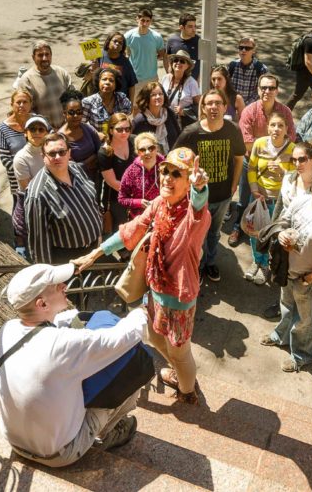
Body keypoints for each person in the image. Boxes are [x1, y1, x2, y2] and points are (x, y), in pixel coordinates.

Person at [74, 147, 211, 404]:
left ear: (188, 180)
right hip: (155, 291)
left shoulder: (193, 216)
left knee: (179, 353)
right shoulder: (160, 204)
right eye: (165, 171)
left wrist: (200, 189)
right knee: (156, 338)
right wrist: (95, 254)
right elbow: (131, 230)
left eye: (177, 174)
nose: (168, 178)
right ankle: (183, 374)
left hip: (179, 299)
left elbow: (199, 209)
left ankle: (187, 391)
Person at [0, 263, 148, 466]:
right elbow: (124, 336)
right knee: (132, 368)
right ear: (41, 304)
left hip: (13, 441)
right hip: (59, 454)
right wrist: (141, 312)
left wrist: (71, 318)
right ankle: (108, 433)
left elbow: (49, 329)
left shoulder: (8, 329)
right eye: (57, 286)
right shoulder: (65, 344)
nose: (64, 286)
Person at [260, 163, 312, 372]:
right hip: (287, 271)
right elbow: (283, 221)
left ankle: (302, 355)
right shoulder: (302, 200)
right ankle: (280, 336)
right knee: (286, 307)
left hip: (307, 281)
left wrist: (308, 280)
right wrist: (281, 234)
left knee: (305, 321)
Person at [174, 90, 246, 282]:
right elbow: (174, 161)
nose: (213, 107)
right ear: (203, 108)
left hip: (223, 195)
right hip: (197, 196)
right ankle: (194, 266)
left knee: (214, 233)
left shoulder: (233, 130)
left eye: (218, 103)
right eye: (209, 104)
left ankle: (210, 263)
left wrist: (234, 185)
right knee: (196, 234)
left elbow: (239, 159)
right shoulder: (191, 133)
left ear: (224, 107)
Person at [229, 74, 296, 247]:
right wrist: (267, 151)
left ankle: (267, 231)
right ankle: (238, 227)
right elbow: (247, 141)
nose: (267, 91)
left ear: (277, 90)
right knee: (246, 199)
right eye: (264, 87)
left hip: (279, 164)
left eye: (271, 88)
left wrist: (277, 158)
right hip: (251, 162)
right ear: (258, 90)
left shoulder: (285, 112)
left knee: (275, 202)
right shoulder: (249, 111)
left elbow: (291, 137)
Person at [24, 133, 102, 264]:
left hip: (95, 249)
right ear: (43, 157)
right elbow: (39, 244)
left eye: (62, 152)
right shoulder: (37, 194)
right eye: (52, 154)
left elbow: (92, 203)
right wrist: (50, 278)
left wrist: (98, 236)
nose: (58, 157)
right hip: (69, 260)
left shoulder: (77, 169)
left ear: (69, 153)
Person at [261, 142, 312, 319]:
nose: (298, 164)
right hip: (284, 233)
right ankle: (283, 305)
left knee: (301, 278)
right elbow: (279, 204)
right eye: (294, 160)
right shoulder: (289, 178)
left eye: (303, 159)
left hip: (305, 240)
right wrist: (273, 230)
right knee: (282, 270)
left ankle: (301, 315)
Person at [245, 113, 295, 285]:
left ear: (287, 129)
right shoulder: (259, 144)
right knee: (255, 231)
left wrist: (282, 171)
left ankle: (266, 264)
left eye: (280, 125)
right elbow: (251, 167)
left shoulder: (292, 149)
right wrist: (253, 188)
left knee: (271, 234)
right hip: (259, 197)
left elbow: (296, 177)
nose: (276, 129)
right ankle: (256, 260)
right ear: (268, 127)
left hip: (279, 200)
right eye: (273, 125)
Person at [12, 116, 50, 258]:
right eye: (32, 129)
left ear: (46, 133)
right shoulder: (21, 158)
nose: (37, 133)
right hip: (30, 204)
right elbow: (29, 188)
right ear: (25, 133)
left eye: (41, 129)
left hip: (51, 201)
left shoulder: (51, 152)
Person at [16, 40, 74, 129]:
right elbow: (26, 111)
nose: (44, 58)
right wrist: (47, 129)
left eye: (47, 54)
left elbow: (73, 99)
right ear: (33, 57)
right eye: (40, 55)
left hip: (66, 129)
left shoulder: (62, 73)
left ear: (51, 55)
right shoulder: (26, 80)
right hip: (42, 133)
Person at [0, 89, 33, 219]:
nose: (22, 105)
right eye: (18, 102)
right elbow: (5, 159)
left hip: (40, 177)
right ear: (12, 104)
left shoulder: (38, 121)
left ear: (30, 104)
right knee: (20, 213)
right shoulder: (3, 129)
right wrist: (25, 172)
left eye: (25, 102)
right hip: (17, 181)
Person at [98, 113, 136, 235]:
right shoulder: (105, 152)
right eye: (119, 129)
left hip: (137, 194)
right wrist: (135, 193)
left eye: (127, 129)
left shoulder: (134, 141)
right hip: (116, 199)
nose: (124, 132)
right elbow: (112, 182)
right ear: (110, 130)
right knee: (121, 231)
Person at [57, 89, 103, 181]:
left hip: (96, 176)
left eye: (79, 112)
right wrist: (92, 158)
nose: (76, 116)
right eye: (71, 112)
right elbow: (70, 165)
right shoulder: (60, 138)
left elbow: (100, 148)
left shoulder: (88, 128)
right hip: (77, 181)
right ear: (64, 114)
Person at [119, 133, 163, 220]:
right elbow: (122, 198)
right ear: (138, 152)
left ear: (156, 148)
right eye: (142, 150)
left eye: (151, 148)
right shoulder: (131, 171)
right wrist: (139, 202)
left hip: (162, 216)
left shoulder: (166, 166)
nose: (147, 152)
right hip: (140, 220)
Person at [80, 68, 132, 139]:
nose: (107, 82)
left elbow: (128, 120)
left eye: (111, 80)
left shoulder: (122, 99)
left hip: (120, 139)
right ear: (98, 82)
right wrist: (95, 134)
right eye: (104, 79)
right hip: (98, 142)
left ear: (116, 84)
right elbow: (82, 124)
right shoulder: (88, 102)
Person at [131, 82, 180, 153]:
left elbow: (178, 137)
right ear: (147, 98)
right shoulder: (139, 120)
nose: (158, 97)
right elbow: (134, 145)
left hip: (171, 159)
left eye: (160, 94)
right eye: (153, 95)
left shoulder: (170, 114)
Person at [124, 8, 166, 91]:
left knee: (151, 103)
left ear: (151, 21)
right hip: (134, 77)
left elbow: (162, 54)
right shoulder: (128, 36)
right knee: (134, 103)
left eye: (148, 21)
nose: (145, 23)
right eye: (142, 20)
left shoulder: (157, 37)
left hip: (152, 78)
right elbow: (123, 52)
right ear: (137, 19)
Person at [90, 32, 138, 102]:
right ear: (108, 42)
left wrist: (131, 105)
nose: (117, 44)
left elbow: (132, 85)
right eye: (115, 41)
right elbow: (89, 78)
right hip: (100, 100)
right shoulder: (98, 55)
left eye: (120, 43)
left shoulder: (125, 62)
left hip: (119, 103)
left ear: (122, 47)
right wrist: (93, 70)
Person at [160, 50, 200, 128]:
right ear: (172, 63)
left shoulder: (192, 82)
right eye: (175, 60)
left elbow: (199, 105)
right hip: (164, 119)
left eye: (182, 61)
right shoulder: (165, 78)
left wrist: (184, 111)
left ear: (187, 66)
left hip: (182, 122)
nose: (178, 63)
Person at [227, 37, 268, 105]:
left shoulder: (261, 68)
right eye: (241, 47)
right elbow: (227, 86)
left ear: (253, 51)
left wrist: (246, 106)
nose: (243, 50)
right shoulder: (232, 66)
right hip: (233, 105)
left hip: (252, 107)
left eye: (247, 48)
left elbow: (262, 90)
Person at [166, 13, 201, 81]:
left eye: (195, 26)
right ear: (181, 27)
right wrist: (169, 72)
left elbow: (204, 63)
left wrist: (198, 81)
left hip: (192, 83)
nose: (194, 29)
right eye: (190, 27)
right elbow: (168, 57)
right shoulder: (172, 40)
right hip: (175, 82)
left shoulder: (199, 42)